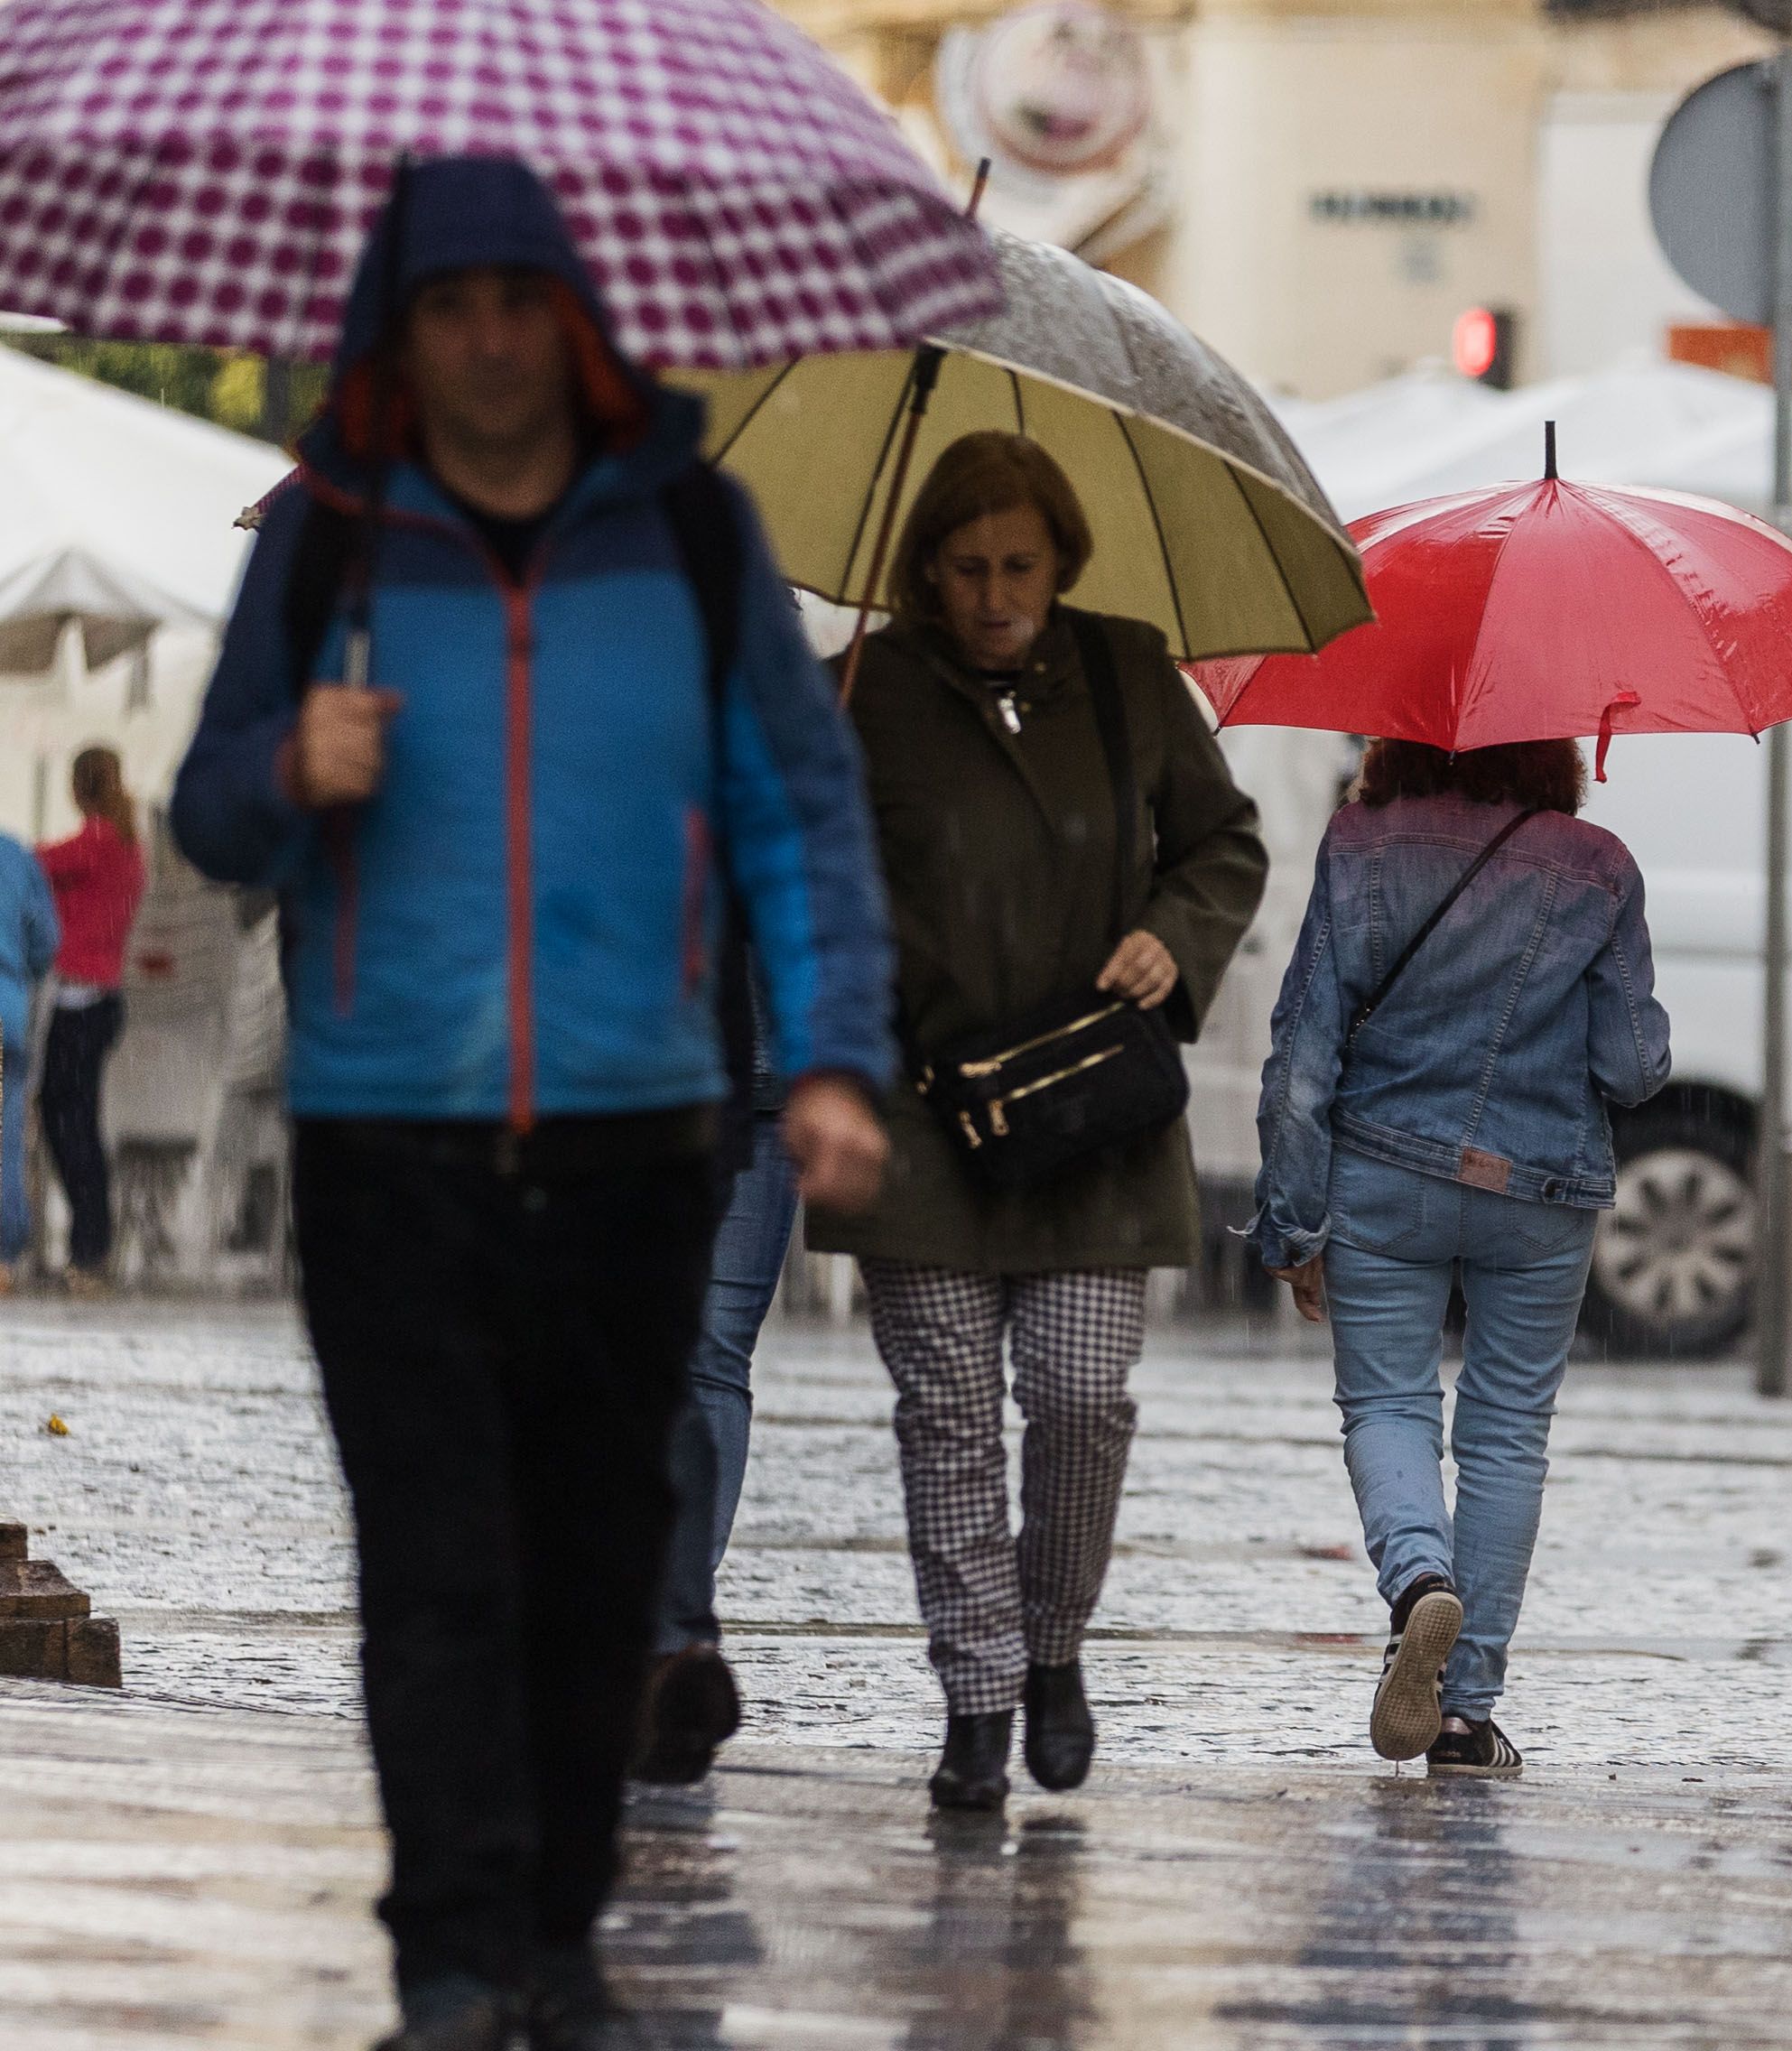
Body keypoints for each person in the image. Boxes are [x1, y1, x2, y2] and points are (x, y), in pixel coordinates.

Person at [171, 157, 893, 2051]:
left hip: (639, 1134)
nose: (488, 339)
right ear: (398, 330)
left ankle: (557, 1937)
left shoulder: (695, 535)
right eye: (449, 305)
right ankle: (449, 1956)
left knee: (590, 1567)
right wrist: (287, 764)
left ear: (575, 319)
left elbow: (799, 811)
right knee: (432, 1564)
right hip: (386, 1136)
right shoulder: (326, 533)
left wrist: (832, 1047)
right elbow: (209, 806)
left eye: (517, 302)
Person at [811, 430, 1266, 1811]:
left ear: (1062, 560)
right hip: (921, 1118)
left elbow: (1225, 841)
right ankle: (977, 1699)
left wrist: (1175, 935)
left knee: (1080, 1401)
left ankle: (1054, 1643)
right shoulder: (865, 690)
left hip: (1091, 1120)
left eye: (1020, 565)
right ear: (925, 571)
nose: (996, 594)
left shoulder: (1128, 671)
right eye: (967, 569)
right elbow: (801, 870)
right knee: (946, 1416)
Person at [1252, 736, 1672, 1778]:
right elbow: (1633, 1067)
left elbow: (1303, 1052)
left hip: (1382, 1174)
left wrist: (1293, 1224)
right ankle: (1463, 1715)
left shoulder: (1359, 844)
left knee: (1388, 1404)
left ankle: (1418, 1583)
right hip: (1540, 1189)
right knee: (1507, 1435)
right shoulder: (1600, 866)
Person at [628, 949, 794, 1786]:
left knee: (711, 1352)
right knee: (692, 1355)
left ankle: (669, 1633)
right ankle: (658, 1629)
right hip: (633, 1061)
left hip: (745, 1073)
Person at [38, 746, 146, 1294]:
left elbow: (29, 863)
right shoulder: (127, 845)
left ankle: (90, 1248)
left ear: (78, 788)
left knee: (68, 1121)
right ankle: (90, 1245)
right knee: (77, 1118)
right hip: (104, 998)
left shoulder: (95, 843)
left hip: (79, 999)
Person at [0, 826, 57, 1288]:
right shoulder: (15, 857)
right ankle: (2, 1256)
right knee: (5, 1138)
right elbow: (46, 940)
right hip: (7, 1010)